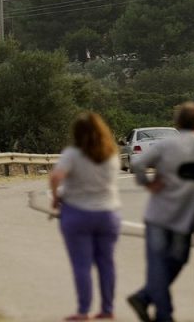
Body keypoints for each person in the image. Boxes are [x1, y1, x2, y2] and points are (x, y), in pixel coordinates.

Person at [127, 101, 194, 322]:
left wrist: (147, 184)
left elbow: (137, 164)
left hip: (158, 214)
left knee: (158, 265)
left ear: (177, 122)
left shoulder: (167, 145)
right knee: (178, 260)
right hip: (186, 216)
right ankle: (161, 314)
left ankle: (148, 300)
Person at [50, 112, 122, 321]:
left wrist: (56, 198)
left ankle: (83, 311)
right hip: (108, 213)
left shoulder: (72, 154)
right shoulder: (111, 154)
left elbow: (56, 176)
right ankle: (108, 309)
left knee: (82, 264)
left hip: (77, 213)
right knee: (106, 263)